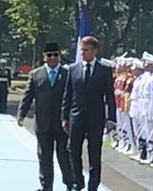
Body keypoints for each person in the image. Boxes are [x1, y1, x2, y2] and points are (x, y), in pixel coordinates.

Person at [17, 42, 74, 191]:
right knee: (44, 157)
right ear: (44, 57)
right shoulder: (36, 75)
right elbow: (27, 96)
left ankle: (69, 183)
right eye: (49, 55)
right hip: (43, 123)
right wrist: (21, 114)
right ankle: (46, 185)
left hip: (62, 123)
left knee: (64, 156)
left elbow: (73, 98)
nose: (53, 58)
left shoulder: (68, 74)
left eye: (56, 54)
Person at [61, 35, 116, 191]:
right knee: (73, 151)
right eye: (81, 50)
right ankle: (79, 181)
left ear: (94, 51)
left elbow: (109, 95)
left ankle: (93, 186)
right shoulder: (73, 69)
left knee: (94, 154)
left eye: (86, 50)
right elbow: (68, 95)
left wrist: (111, 118)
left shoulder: (104, 70)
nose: (83, 53)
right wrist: (64, 117)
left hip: (95, 118)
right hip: (76, 117)